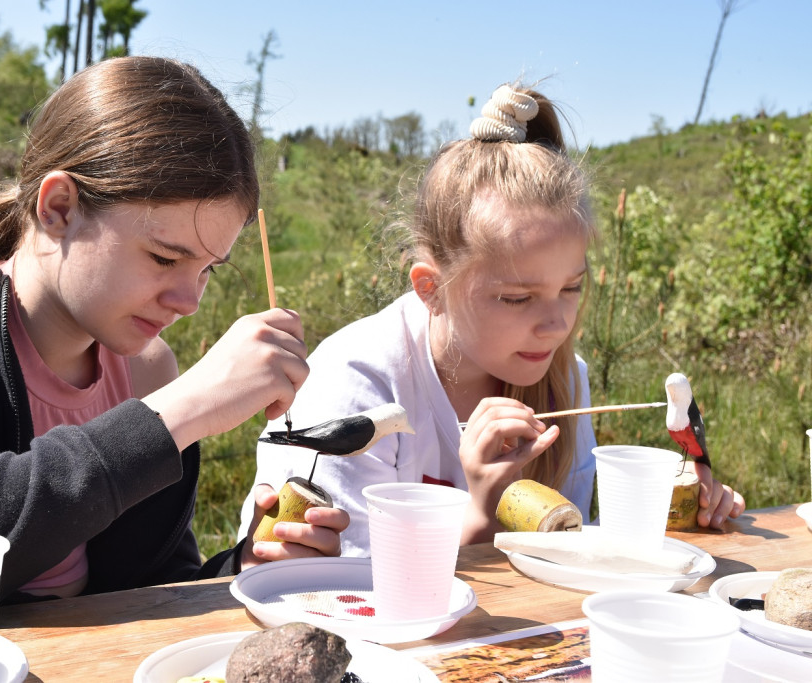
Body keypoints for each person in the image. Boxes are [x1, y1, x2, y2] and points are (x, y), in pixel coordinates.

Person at [0, 56, 348, 622]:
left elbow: (149, 582)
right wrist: (179, 412)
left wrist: (243, 571)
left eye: (207, 269)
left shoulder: (146, 369)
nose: (189, 301)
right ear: (58, 209)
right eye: (164, 257)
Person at [239, 82, 744, 556]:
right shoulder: (360, 385)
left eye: (571, 288)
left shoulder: (564, 380)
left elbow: (558, 554)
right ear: (431, 288)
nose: (555, 326)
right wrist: (483, 510)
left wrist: (679, 513)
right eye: (518, 299)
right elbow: (349, 583)